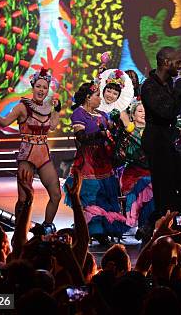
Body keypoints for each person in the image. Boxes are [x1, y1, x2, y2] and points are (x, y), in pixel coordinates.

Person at [0, 68, 61, 232]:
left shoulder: (47, 108)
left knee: (56, 194)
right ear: (33, 87)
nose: (41, 90)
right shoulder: (22, 107)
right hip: (27, 155)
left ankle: (46, 228)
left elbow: (52, 126)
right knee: (24, 199)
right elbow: (3, 122)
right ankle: (19, 231)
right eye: (38, 86)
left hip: (43, 154)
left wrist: (57, 111)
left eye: (45, 87)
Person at [63, 82, 129, 246]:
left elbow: (112, 133)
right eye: (97, 96)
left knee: (107, 194)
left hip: (104, 159)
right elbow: (81, 137)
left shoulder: (102, 115)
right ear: (88, 98)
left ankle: (107, 229)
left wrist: (116, 127)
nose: (100, 99)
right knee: (91, 195)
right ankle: (94, 230)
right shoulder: (79, 114)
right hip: (88, 160)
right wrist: (99, 134)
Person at [140, 47, 181, 232]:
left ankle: (155, 220)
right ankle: (161, 226)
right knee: (164, 192)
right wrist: (180, 90)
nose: (180, 66)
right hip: (156, 143)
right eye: (177, 62)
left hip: (170, 143)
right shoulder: (149, 86)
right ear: (165, 62)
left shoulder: (170, 84)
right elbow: (167, 111)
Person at [114, 99, 155, 235]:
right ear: (132, 114)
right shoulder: (128, 132)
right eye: (140, 110)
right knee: (146, 184)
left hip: (151, 171)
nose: (144, 113)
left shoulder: (152, 130)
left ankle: (149, 225)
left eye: (145, 110)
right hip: (134, 174)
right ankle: (144, 225)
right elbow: (121, 155)